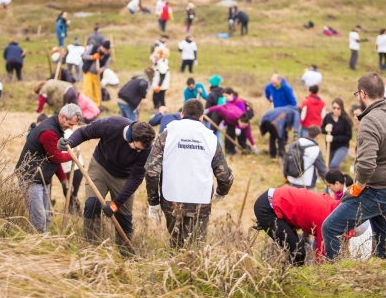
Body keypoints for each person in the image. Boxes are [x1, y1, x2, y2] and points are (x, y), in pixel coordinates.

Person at [322, 73, 386, 260]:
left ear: (363, 94)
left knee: (331, 227)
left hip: (378, 191)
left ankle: (335, 277)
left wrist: (356, 188)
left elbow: (366, 165)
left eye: (357, 94)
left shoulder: (369, 121)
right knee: (384, 248)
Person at [146, 99, 233, 248]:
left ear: (181, 114)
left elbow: (151, 172)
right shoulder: (211, 138)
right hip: (200, 201)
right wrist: (221, 191)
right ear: (201, 117)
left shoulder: (166, 135)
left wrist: (153, 201)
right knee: (196, 248)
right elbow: (224, 174)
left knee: (176, 244)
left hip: (171, 199)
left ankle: (175, 268)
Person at [59, 117, 157, 251]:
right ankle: (91, 249)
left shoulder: (146, 148)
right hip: (101, 167)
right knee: (92, 205)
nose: (138, 151)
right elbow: (83, 132)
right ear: (129, 137)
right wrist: (69, 143)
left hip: (124, 176)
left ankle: (126, 256)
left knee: (124, 217)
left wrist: (116, 203)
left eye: (141, 149)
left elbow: (136, 177)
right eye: (136, 147)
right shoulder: (110, 125)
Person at [17, 104, 82, 233]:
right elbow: (55, 158)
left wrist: (63, 179)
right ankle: (39, 247)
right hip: (31, 178)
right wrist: (71, 156)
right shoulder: (49, 132)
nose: (71, 127)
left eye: (74, 125)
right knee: (39, 220)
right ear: (62, 117)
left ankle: (44, 243)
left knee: (47, 217)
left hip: (42, 177)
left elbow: (51, 159)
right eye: (70, 124)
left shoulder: (56, 128)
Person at [254, 186, 339, 265]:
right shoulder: (327, 221)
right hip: (268, 207)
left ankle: (289, 274)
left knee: (296, 252)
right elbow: (322, 257)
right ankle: (288, 278)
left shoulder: (333, 206)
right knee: (298, 253)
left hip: (276, 200)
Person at [206, 88, 258, 155]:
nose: (225, 98)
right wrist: (224, 124)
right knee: (230, 134)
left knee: (241, 138)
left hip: (241, 122)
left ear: (231, 94)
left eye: (226, 96)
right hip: (233, 121)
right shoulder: (228, 104)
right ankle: (230, 152)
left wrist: (239, 127)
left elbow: (243, 116)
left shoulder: (239, 102)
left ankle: (246, 149)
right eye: (224, 96)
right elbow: (225, 114)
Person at [284, 126, 328, 191]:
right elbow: (322, 169)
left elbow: (286, 161)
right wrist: (329, 182)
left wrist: (285, 176)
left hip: (292, 180)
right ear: (318, 136)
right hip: (308, 184)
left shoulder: (294, 144)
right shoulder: (315, 149)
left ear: (307, 133)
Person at [321, 98, 353, 170]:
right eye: (334, 108)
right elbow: (322, 129)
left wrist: (334, 139)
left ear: (341, 108)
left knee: (334, 165)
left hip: (342, 146)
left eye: (338, 108)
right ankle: (337, 180)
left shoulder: (346, 120)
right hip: (330, 147)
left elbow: (348, 136)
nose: (336, 110)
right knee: (330, 168)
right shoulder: (328, 117)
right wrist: (325, 129)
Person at [82, 40, 110, 106]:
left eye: (107, 50)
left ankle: (96, 105)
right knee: (87, 89)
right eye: (104, 49)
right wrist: (92, 57)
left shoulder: (107, 55)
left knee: (97, 91)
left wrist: (101, 69)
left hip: (97, 75)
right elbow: (84, 56)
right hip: (88, 72)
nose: (105, 51)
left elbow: (106, 66)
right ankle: (85, 105)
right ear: (101, 46)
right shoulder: (93, 48)